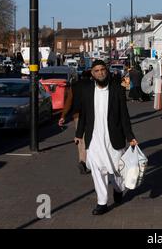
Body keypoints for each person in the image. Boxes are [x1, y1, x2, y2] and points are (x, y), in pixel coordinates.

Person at [74, 60, 138, 215]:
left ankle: (117, 189)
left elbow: (124, 115)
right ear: (92, 73)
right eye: (96, 70)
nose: (100, 73)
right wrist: (78, 134)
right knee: (97, 170)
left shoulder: (117, 90)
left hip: (113, 137)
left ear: (107, 71)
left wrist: (130, 137)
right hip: (94, 138)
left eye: (102, 69)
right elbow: (83, 115)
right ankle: (101, 202)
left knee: (116, 170)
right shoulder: (87, 90)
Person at [59, 69, 92, 174]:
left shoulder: (74, 86)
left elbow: (69, 101)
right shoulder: (94, 85)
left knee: (80, 139)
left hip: (77, 115)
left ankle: (82, 160)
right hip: (92, 115)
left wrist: (63, 116)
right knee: (92, 139)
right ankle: (90, 161)